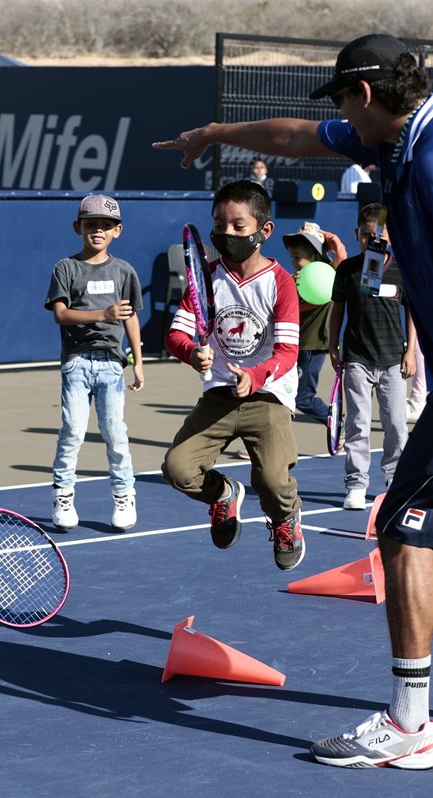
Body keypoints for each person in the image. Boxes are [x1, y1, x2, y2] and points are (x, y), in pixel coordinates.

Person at [154, 33, 433, 769]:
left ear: (364, 95)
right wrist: (219, 133)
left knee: (400, 527)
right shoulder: (393, 139)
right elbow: (295, 137)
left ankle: (411, 725)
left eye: (343, 104)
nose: (341, 121)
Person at [160, 179, 306, 571]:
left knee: (272, 482)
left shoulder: (281, 283)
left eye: (238, 226)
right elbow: (175, 336)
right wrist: (192, 353)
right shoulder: (205, 279)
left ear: (264, 230)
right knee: (177, 469)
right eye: (219, 225)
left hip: (267, 396)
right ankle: (223, 494)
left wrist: (256, 376)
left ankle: (285, 518)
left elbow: (288, 352)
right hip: (219, 395)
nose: (227, 233)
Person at [45, 194, 144, 532]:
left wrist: (138, 362)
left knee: (115, 433)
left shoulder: (124, 271)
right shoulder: (65, 268)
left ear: (117, 230)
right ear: (78, 227)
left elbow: (130, 318)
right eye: (91, 224)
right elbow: (60, 315)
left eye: (106, 225)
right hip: (76, 363)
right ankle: (63, 495)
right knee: (73, 431)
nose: (98, 230)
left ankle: (124, 495)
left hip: (112, 365)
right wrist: (103, 313)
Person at [327, 203, 416, 510]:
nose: (373, 241)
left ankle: (396, 481)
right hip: (357, 359)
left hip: (392, 360)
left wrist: (411, 351)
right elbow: (337, 309)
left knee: (396, 425)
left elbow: (412, 312)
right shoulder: (347, 270)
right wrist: (333, 345)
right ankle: (356, 485)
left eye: (380, 236)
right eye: (366, 235)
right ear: (357, 235)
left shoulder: (402, 270)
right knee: (357, 425)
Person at [284, 221, 346, 422]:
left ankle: (337, 423)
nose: (293, 263)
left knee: (303, 399)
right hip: (293, 346)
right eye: (292, 257)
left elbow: (341, 258)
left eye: (297, 258)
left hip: (312, 347)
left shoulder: (328, 276)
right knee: (280, 393)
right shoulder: (296, 280)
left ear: (315, 257)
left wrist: (331, 239)